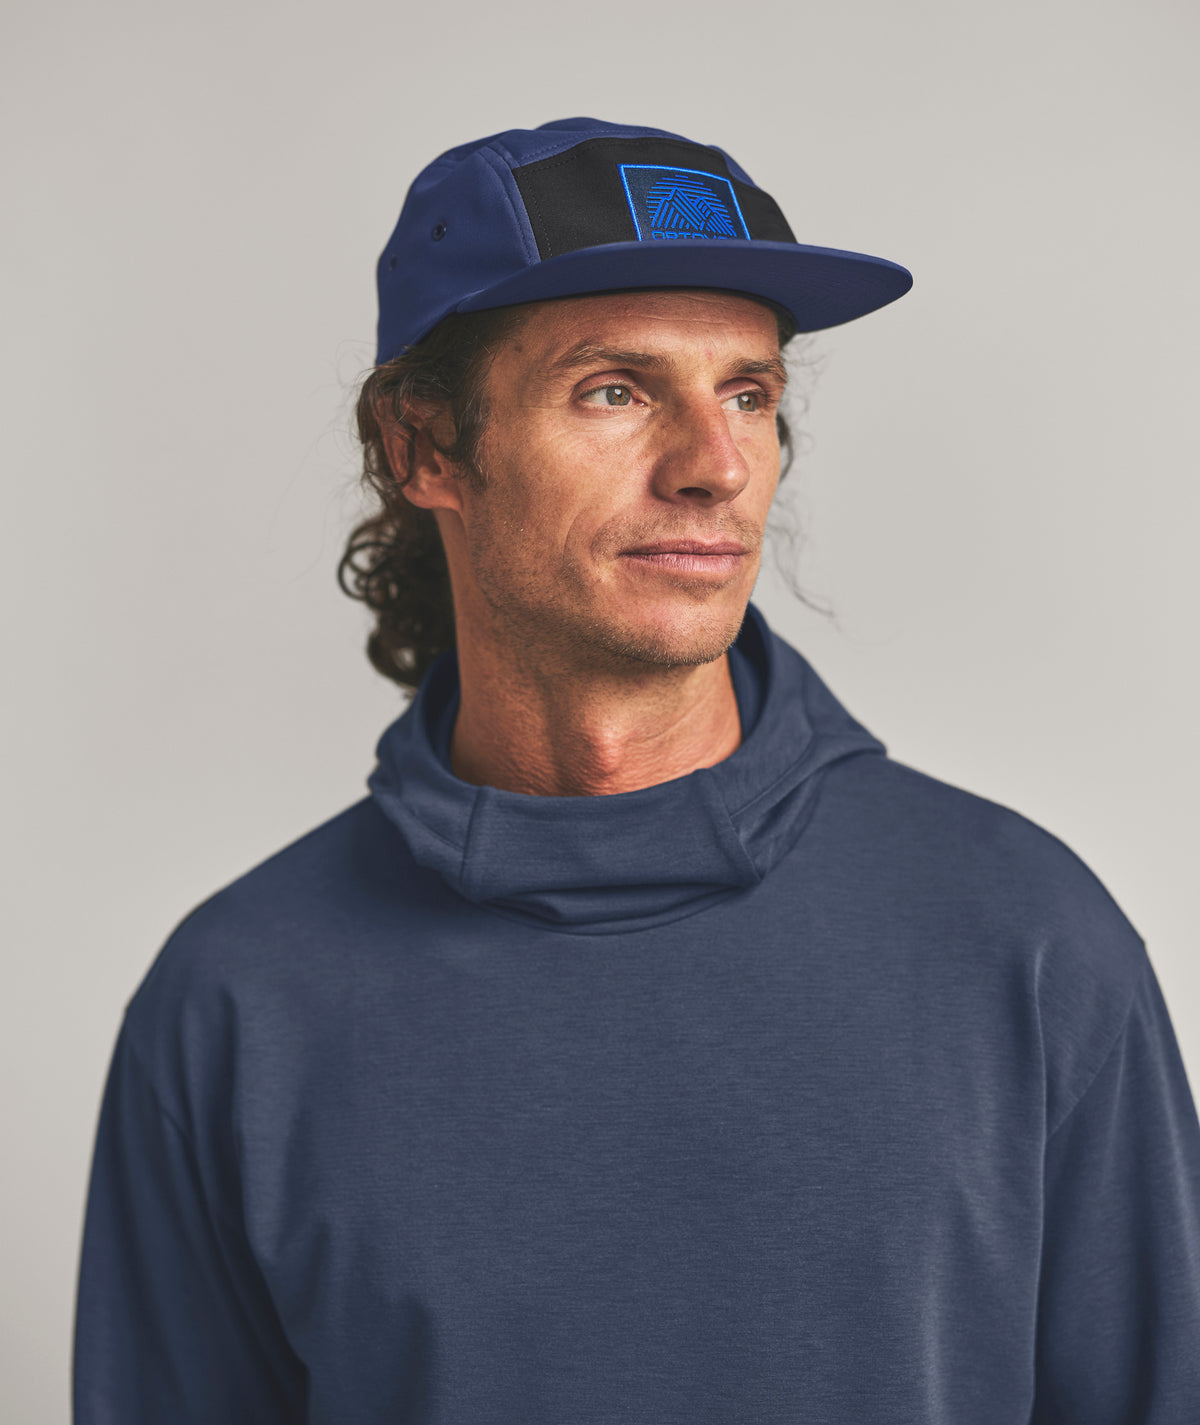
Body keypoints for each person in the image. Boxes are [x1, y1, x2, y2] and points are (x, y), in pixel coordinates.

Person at [73, 117, 1200, 1424]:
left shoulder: (1028, 940)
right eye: (616, 389)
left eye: (749, 393)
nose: (716, 465)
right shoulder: (235, 1003)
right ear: (423, 444)